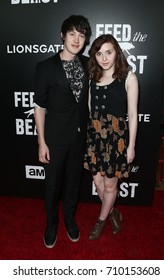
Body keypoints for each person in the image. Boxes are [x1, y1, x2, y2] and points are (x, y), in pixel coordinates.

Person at [34, 15, 92, 248]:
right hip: (55, 138)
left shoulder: (89, 64)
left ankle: (69, 219)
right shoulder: (46, 67)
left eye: (81, 35)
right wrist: (41, 142)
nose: (77, 40)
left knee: (72, 184)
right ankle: (51, 224)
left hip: (80, 137)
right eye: (72, 34)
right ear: (62, 35)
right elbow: (39, 106)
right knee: (52, 186)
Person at [84, 34, 138, 240]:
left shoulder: (129, 78)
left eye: (108, 52)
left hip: (117, 139)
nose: (104, 58)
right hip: (96, 137)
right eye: (99, 53)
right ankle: (113, 212)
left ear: (116, 52)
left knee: (110, 185)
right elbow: (90, 110)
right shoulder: (93, 78)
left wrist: (130, 146)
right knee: (98, 184)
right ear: (94, 56)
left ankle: (100, 221)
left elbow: (133, 115)